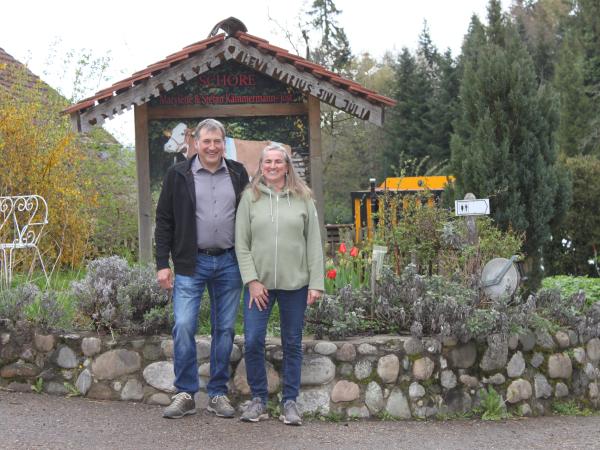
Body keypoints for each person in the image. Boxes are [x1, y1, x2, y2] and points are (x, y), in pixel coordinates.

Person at [155, 118, 249, 419]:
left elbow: (249, 217)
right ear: (196, 143)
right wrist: (162, 264)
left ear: (224, 143)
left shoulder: (238, 173)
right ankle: (185, 393)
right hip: (190, 262)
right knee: (184, 324)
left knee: (224, 328)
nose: (211, 147)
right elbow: (164, 220)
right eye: (206, 141)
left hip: (230, 262)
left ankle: (218, 393)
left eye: (217, 141)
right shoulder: (178, 174)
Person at [235, 143, 324, 426]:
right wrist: (251, 280)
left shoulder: (303, 198)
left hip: (295, 285)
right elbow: (241, 243)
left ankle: (290, 402)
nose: (272, 166)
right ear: (261, 166)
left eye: (278, 161)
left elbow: (314, 243)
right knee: (253, 340)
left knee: (293, 343)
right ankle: (259, 400)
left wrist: (316, 283)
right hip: (258, 286)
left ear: (287, 166)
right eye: (267, 162)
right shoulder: (249, 198)